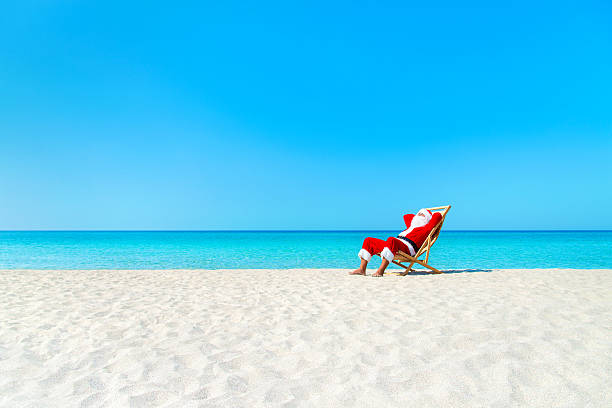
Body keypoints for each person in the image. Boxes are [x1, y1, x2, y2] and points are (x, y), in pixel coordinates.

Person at [349, 208, 442, 277]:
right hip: (396, 244)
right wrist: (419, 215)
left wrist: (430, 214)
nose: (418, 215)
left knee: (391, 240)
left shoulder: (426, 229)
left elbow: (438, 216)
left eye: (422, 215)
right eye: (418, 213)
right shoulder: (411, 227)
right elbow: (406, 216)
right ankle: (362, 269)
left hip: (407, 248)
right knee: (368, 240)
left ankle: (380, 271)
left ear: (427, 219)